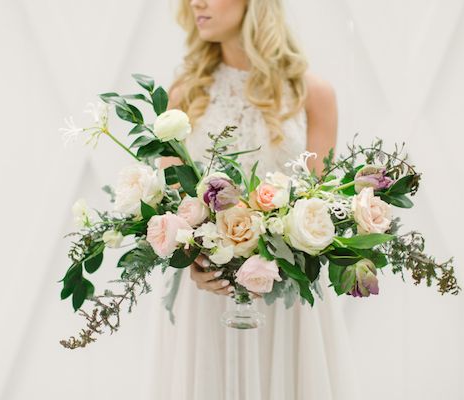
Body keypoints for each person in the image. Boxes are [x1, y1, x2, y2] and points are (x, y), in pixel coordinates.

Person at [151, 0, 360, 398]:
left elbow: (321, 206)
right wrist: (191, 259)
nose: (197, 3)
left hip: (287, 298)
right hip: (207, 295)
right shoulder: (184, 96)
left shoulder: (312, 94)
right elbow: (174, 208)